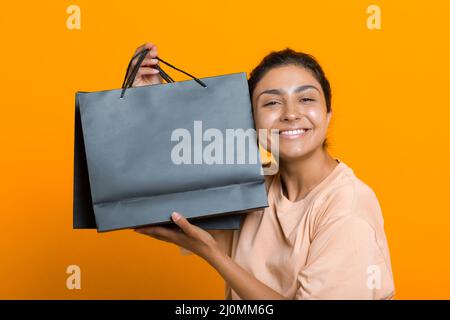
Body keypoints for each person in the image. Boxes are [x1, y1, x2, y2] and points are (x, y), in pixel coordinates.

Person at [132, 42, 395, 300]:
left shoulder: (348, 209)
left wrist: (213, 254)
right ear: (251, 121)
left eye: (306, 99)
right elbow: (162, 204)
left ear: (327, 116)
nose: (291, 114)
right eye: (272, 103)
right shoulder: (250, 189)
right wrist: (152, 105)